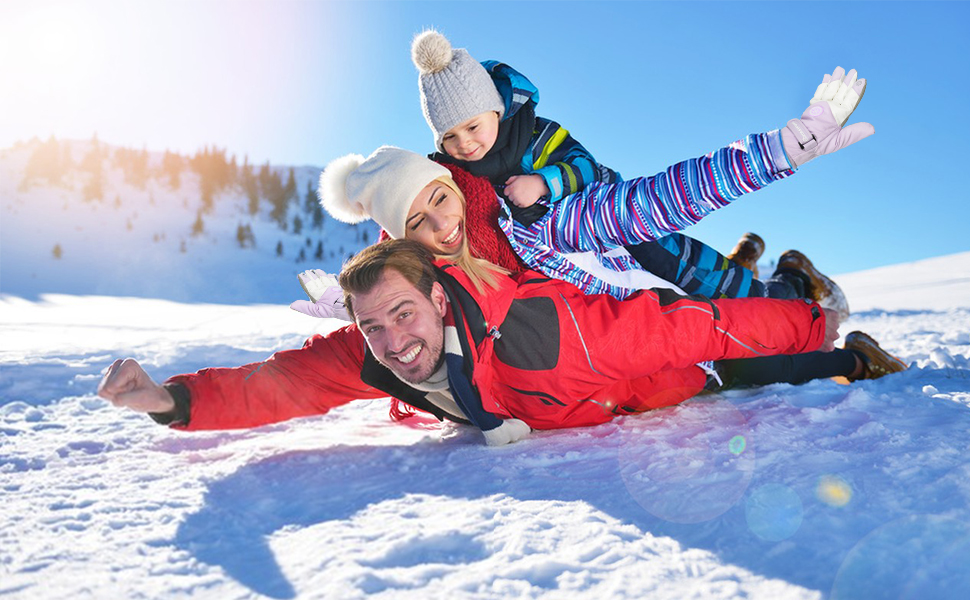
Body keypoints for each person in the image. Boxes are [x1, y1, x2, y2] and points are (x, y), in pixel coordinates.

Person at [98, 239, 839, 446]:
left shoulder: (547, 336)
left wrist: (813, 328)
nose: (391, 340)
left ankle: (813, 309)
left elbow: (699, 327)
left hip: (654, 380)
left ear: (439, 300)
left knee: (751, 365)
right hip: (594, 410)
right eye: (372, 325)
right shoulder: (373, 353)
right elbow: (279, 384)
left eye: (402, 314)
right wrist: (172, 400)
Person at [407, 30, 855, 312]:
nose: (464, 143)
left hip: (617, 226)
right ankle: (747, 265)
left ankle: (791, 284)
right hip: (589, 263)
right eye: (449, 137)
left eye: (471, 126)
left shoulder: (536, 135)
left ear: (496, 109)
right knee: (678, 298)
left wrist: (545, 182)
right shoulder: (459, 176)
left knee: (699, 276)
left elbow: (582, 165)